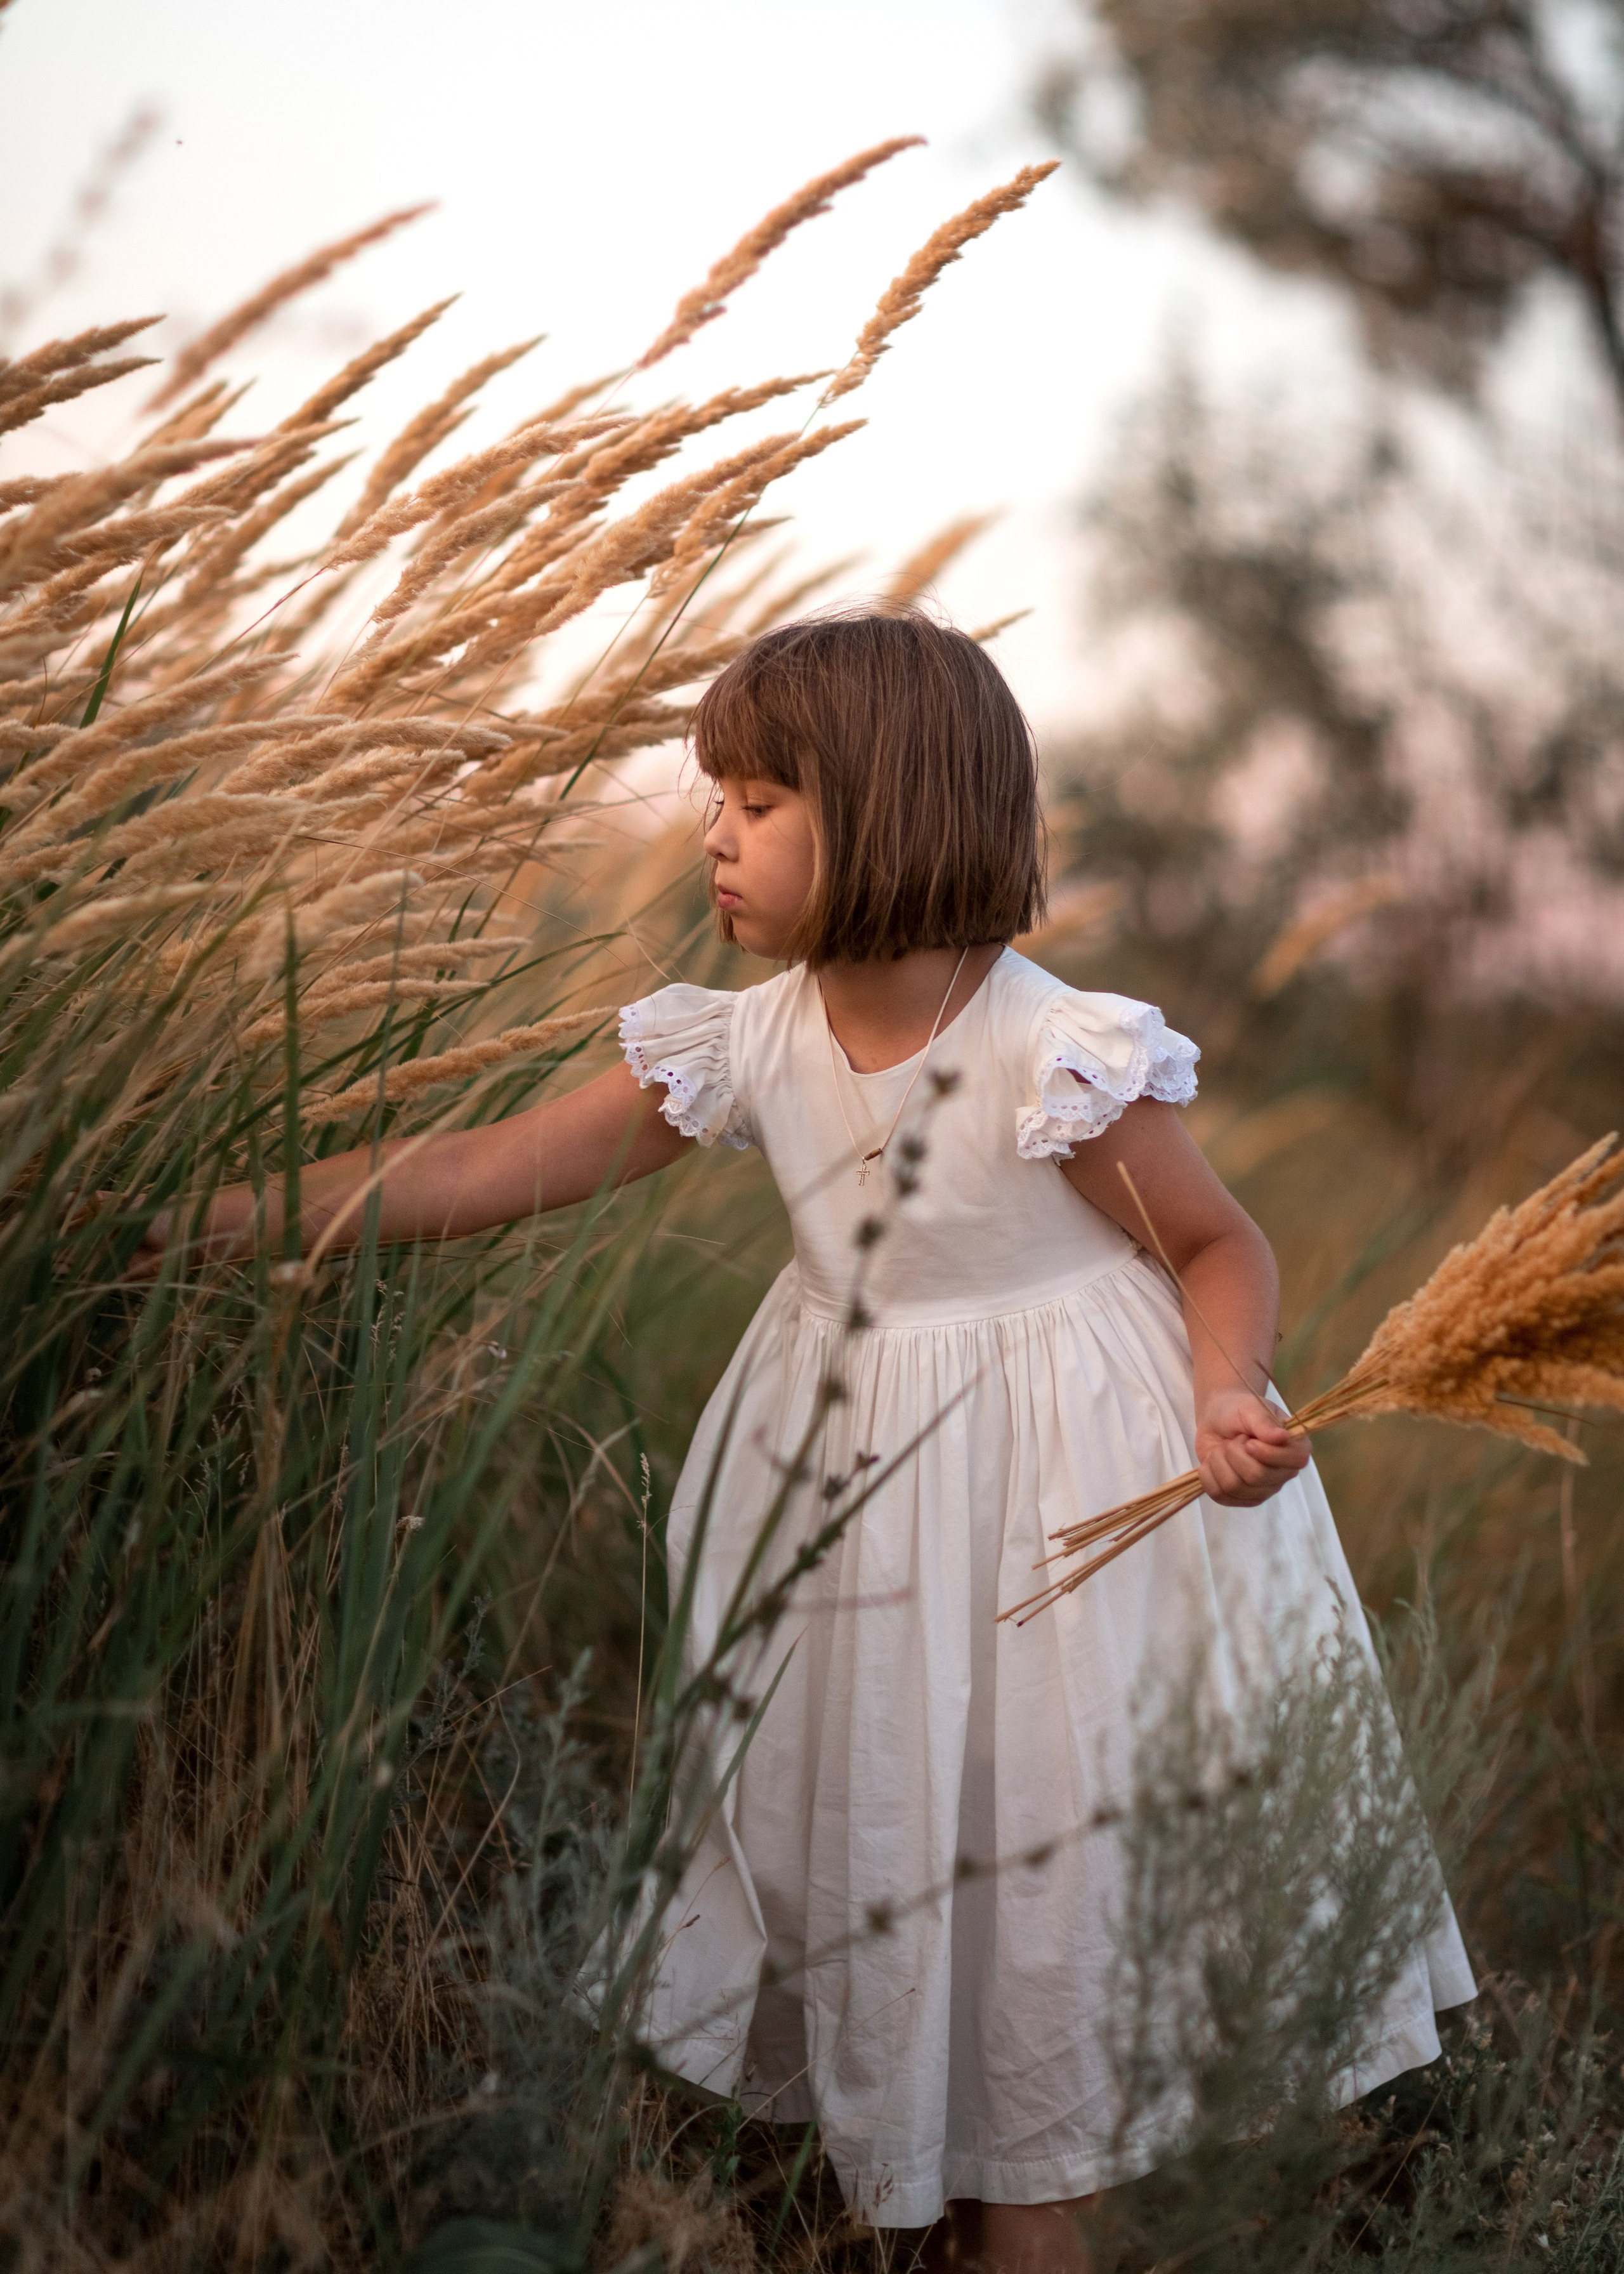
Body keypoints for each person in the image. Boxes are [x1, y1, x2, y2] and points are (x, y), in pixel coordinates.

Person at [141, 612, 1474, 2272]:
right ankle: (942, 2183)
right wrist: (227, 1212)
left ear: (897, 810)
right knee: (893, 1838)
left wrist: (1227, 1385)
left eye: (759, 800)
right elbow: (488, 1169)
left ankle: (1019, 2195)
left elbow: (1218, 1246)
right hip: (861, 1506)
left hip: (1072, 1500)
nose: (714, 829)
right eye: (720, 794)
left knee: (1038, 1889)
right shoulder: (755, 1035)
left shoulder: (1048, 1052)